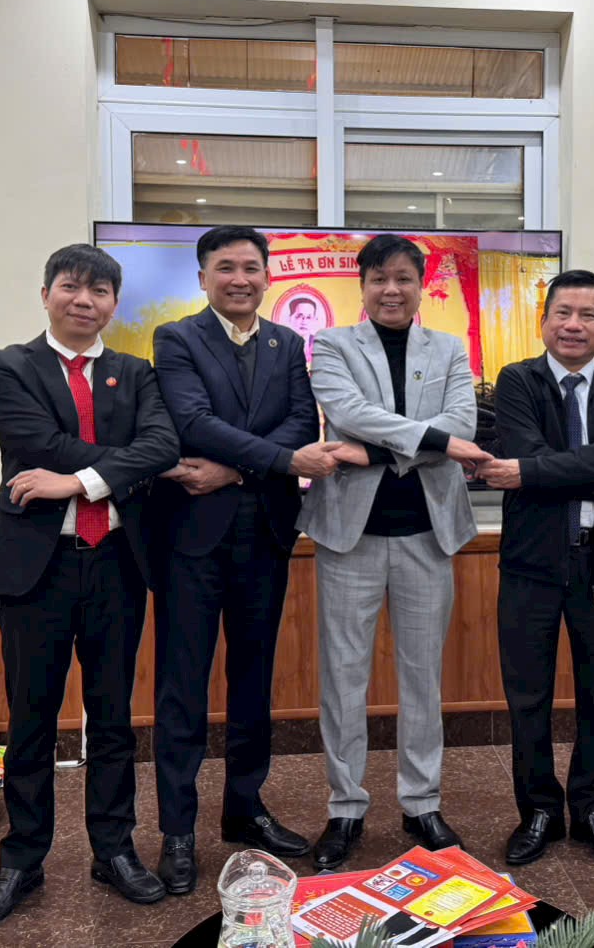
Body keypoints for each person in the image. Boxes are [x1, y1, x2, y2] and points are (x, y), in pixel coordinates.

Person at [0, 243, 179, 929]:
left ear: (114, 304)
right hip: (38, 568)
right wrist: (120, 467)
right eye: (70, 286)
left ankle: (113, 850)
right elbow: (37, 442)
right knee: (31, 719)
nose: (83, 300)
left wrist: (77, 482)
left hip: (117, 563)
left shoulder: (136, 373)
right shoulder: (7, 365)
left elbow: (165, 446)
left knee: (112, 718)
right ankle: (22, 859)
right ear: (46, 294)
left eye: (99, 291)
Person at [150, 226, 349, 894]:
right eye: (226, 268)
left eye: (252, 268)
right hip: (191, 537)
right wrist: (276, 461)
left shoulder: (286, 343)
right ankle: (178, 831)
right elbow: (192, 423)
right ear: (203, 278)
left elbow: (301, 424)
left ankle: (244, 807)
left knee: (253, 680)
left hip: (264, 531)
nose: (240, 279)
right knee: (182, 685)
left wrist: (236, 472)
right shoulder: (177, 339)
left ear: (268, 276)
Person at [298, 234, 491, 869]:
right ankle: (345, 808)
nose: (391, 289)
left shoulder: (450, 348)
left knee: (422, 675)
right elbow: (348, 411)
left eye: (404, 278)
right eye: (379, 278)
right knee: (343, 677)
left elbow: (463, 425)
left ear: (420, 285)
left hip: (427, 534)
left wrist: (372, 450)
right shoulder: (332, 345)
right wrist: (431, 444)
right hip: (349, 535)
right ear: (363, 285)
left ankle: (421, 802)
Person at [481, 270, 594, 872]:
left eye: (587, 315)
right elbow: (535, 453)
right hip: (532, 562)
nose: (573, 325)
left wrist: (535, 472)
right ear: (544, 321)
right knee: (528, 694)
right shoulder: (517, 379)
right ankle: (539, 812)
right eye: (562, 314)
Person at [282, 294, 324, 361]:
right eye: (299, 316)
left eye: (309, 317)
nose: (304, 321)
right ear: (290, 318)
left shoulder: (320, 345)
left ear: (315, 320)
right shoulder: (282, 343)